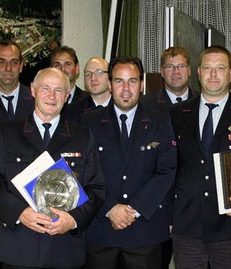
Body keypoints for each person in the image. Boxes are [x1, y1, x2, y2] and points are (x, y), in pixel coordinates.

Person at [0, 67, 106, 268]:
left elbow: (96, 188)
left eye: (59, 90)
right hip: (20, 250)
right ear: (33, 90)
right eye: (46, 88)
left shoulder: (82, 136)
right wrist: (20, 213)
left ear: (66, 96)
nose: (52, 96)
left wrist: (72, 220)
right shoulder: (7, 133)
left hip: (65, 250)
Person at [169, 45, 231, 268]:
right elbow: (169, 167)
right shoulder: (177, 114)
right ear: (198, 72)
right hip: (187, 224)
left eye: (220, 68)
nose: (213, 74)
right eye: (208, 68)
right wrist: (168, 216)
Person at [81, 56, 176, 269]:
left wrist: (134, 208)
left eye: (132, 81)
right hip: (101, 230)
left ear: (141, 85)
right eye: (119, 81)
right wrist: (110, 208)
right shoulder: (89, 122)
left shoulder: (160, 121)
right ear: (109, 84)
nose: (126, 88)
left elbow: (166, 170)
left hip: (145, 231)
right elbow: (83, 172)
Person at [140, 46, 198, 113]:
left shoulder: (202, 102)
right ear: (162, 72)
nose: (176, 71)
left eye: (181, 66)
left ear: (189, 70)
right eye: (169, 67)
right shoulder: (144, 104)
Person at [62, 57, 111, 123]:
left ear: (110, 75)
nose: (93, 78)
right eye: (88, 74)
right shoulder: (71, 111)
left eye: (99, 72)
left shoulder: (121, 108)